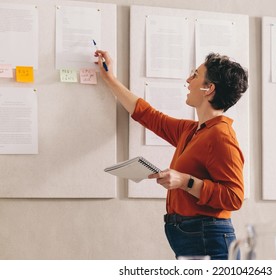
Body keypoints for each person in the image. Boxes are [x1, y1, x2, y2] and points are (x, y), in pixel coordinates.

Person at [95, 50, 248, 260]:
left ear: (209, 89)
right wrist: (110, 78)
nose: (188, 80)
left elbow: (234, 197)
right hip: (194, 238)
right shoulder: (192, 131)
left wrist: (185, 181)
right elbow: (148, 116)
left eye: (195, 75)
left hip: (210, 241)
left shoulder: (222, 136)